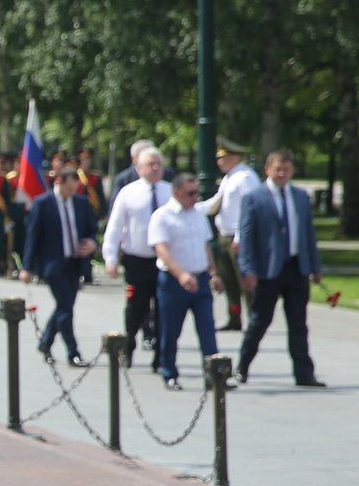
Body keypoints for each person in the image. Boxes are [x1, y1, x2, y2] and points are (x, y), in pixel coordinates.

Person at [236, 149, 327, 387]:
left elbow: (308, 234)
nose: (281, 174)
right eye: (277, 169)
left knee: (298, 323)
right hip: (268, 270)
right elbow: (246, 237)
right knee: (259, 321)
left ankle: (304, 373)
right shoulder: (254, 197)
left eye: (286, 170)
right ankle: (242, 367)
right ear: (267, 169)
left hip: (297, 268)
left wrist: (315, 267)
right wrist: (248, 269)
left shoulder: (299, 196)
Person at [147, 172, 226, 389]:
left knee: (207, 328)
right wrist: (180, 274)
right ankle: (169, 372)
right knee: (171, 330)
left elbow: (206, 245)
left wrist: (213, 272)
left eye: (197, 193)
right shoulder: (162, 216)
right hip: (173, 282)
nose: (195, 197)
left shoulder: (198, 214)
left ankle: (214, 375)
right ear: (177, 192)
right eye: (190, 193)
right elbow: (161, 249)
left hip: (200, 280)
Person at [20, 166, 98, 366]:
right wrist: (27, 267)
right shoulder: (42, 203)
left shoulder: (80, 202)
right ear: (59, 183)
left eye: (75, 189)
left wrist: (91, 243)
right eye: (69, 189)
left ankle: (45, 342)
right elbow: (32, 236)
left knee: (66, 306)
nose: (72, 193)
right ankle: (73, 352)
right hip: (52, 264)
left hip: (75, 262)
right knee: (65, 307)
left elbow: (91, 229)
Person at [102, 145, 170, 365]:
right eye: (150, 164)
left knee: (163, 308)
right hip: (137, 261)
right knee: (135, 308)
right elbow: (115, 227)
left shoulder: (170, 191)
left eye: (158, 164)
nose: (155, 168)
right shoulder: (128, 193)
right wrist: (110, 258)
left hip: (164, 261)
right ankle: (128, 347)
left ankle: (161, 355)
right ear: (139, 168)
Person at [199, 138, 256, 331]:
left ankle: (254, 319)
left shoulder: (245, 177)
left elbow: (247, 211)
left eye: (222, 158)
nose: (218, 162)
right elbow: (216, 202)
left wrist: (241, 238)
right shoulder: (230, 177)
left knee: (245, 281)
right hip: (225, 236)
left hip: (238, 237)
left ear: (234, 157)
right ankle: (234, 318)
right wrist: (191, 209)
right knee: (229, 281)